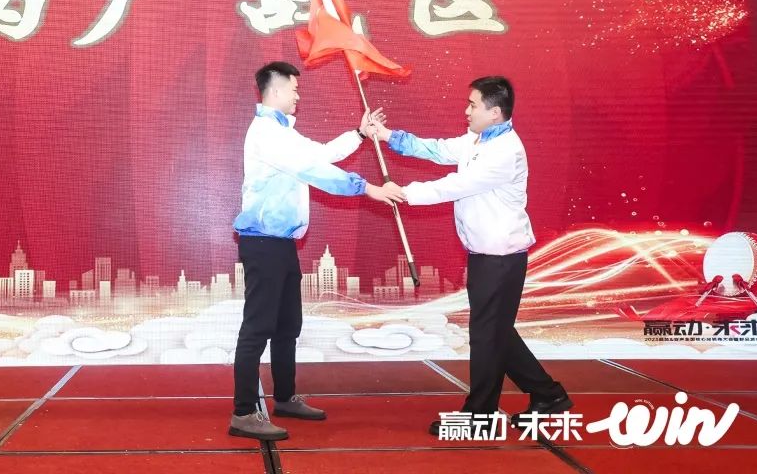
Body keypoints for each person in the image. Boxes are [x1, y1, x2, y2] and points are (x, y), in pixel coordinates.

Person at [369, 76, 571, 433]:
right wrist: (386, 135)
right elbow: (438, 150)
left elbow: (457, 185)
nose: (466, 110)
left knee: (486, 334)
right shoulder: (478, 139)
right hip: (486, 256)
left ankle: (481, 416)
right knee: (495, 331)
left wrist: (405, 193)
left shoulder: (505, 151)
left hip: (501, 258)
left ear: (494, 112)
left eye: (473, 105)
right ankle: (548, 394)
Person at [229, 61, 405, 441]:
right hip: (264, 244)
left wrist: (359, 134)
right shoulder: (266, 133)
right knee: (258, 327)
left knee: (287, 326)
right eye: (295, 89)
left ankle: (285, 397)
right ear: (276, 90)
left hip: (281, 245)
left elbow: (321, 154)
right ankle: (243, 412)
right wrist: (369, 189)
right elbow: (315, 171)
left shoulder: (285, 133)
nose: (298, 96)